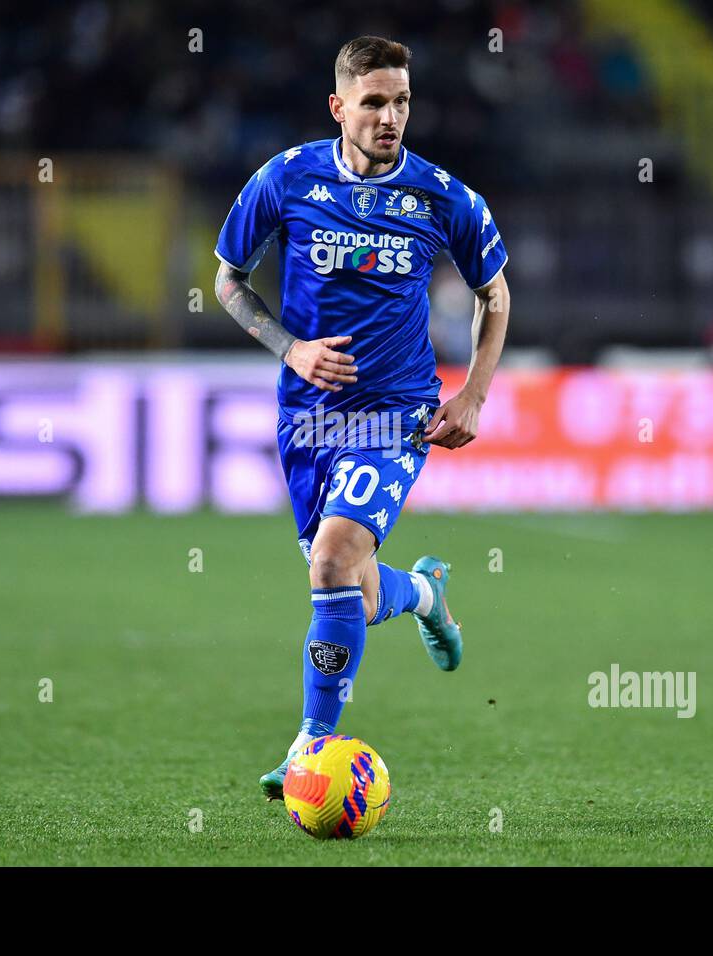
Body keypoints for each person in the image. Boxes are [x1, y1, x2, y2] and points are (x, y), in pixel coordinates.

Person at [213, 36, 511, 800]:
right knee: (353, 588)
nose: (390, 117)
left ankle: (313, 745)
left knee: (331, 562)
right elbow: (228, 283)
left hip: (396, 411)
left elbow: (496, 295)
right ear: (339, 106)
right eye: (374, 102)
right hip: (308, 417)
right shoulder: (287, 178)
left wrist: (473, 393)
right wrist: (290, 348)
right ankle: (425, 594)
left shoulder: (442, 196)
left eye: (402, 102)